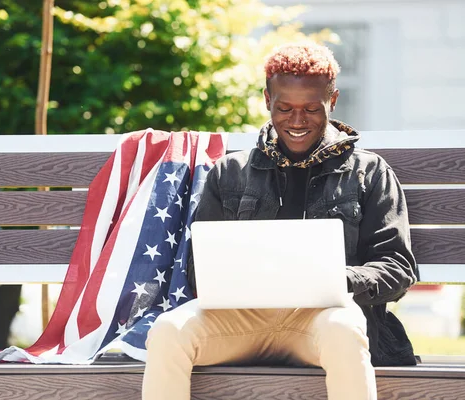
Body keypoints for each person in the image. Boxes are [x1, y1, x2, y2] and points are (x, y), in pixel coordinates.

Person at [141, 42, 419, 400]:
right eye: (284, 108)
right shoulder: (230, 172)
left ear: (332, 101)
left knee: (345, 330)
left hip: (322, 321)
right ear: (266, 100)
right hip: (242, 321)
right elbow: (200, 271)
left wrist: (335, 279)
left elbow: (396, 268)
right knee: (168, 330)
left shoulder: (369, 171)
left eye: (311, 109)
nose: (298, 120)